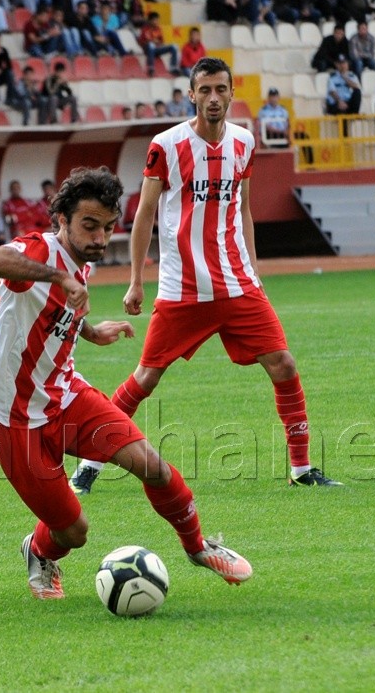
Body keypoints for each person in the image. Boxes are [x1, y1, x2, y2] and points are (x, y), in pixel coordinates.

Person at [68, 58, 341, 495]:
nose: (214, 98)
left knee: (283, 364)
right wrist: (136, 280)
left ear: (232, 93)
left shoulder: (244, 143)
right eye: (205, 90)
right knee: (145, 378)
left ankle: (302, 468)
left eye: (221, 89)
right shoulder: (167, 145)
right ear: (191, 95)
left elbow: (244, 208)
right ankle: (89, 463)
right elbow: (145, 215)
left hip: (237, 283)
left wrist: (254, 267)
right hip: (183, 289)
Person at [0, 167, 253, 598]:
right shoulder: (40, 252)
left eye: (108, 228)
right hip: (11, 419)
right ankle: (39, 549)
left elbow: (55, 312)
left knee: (152, 466)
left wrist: (90, 331)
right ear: (61, 220)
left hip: (67, 396)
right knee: (73, 531)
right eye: (89, 226)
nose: (100, 239)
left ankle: (199, 547)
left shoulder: (79, 264)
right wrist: (61, 278)